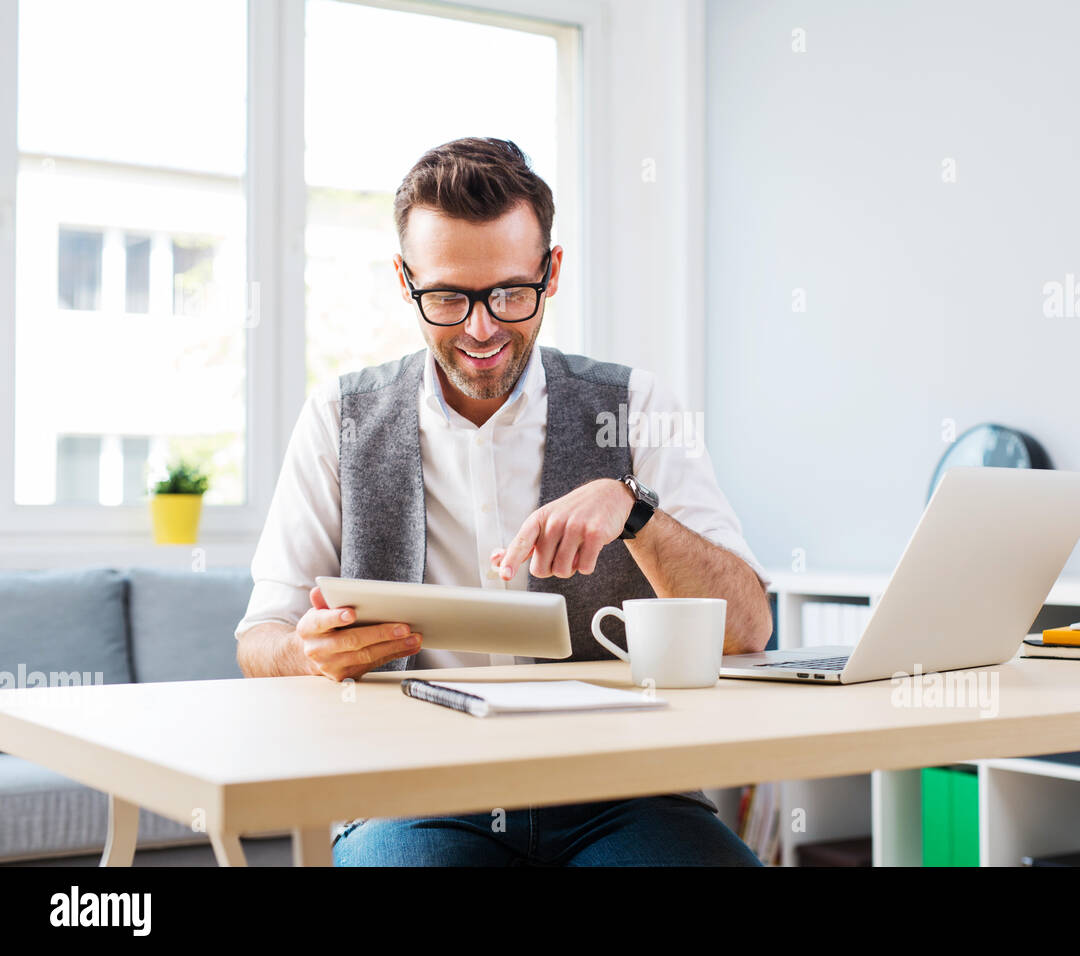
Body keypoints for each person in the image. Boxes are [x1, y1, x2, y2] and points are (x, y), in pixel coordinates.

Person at [235, 137, 771, 866]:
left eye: (510, 294)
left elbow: (746, 630)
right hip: (411, 796)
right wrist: (305, 651)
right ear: (404, 279)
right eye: (449, 297)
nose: (482, 329)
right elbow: (260, 636)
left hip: (624, 790)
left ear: (551, 272)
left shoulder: (636, 405)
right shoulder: (340, 417)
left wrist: (635, 512)